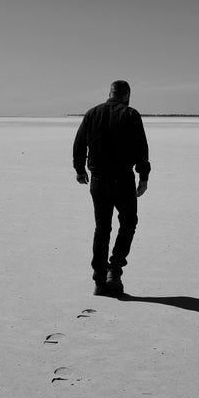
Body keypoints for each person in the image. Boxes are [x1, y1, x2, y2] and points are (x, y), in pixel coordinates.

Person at [72, 80, 150, 297]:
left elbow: (79, 144)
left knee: (102, 228)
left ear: (110, 94)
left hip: (98, 181)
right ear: (127, 95)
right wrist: (144, 176)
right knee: (128, 223)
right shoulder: (131, 114)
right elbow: (141, 148)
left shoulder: (92, 113)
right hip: (122, 180)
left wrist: (80, 170)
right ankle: (114, 271)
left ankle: (99, 279)